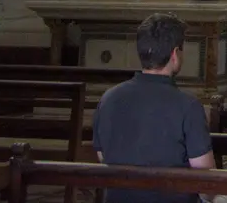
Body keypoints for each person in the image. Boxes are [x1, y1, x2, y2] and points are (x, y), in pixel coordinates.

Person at [91, 13, 216, 203]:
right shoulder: (188, 107)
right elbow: (206, 184)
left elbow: (103, 158)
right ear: (175, 54)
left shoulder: (108, 99)